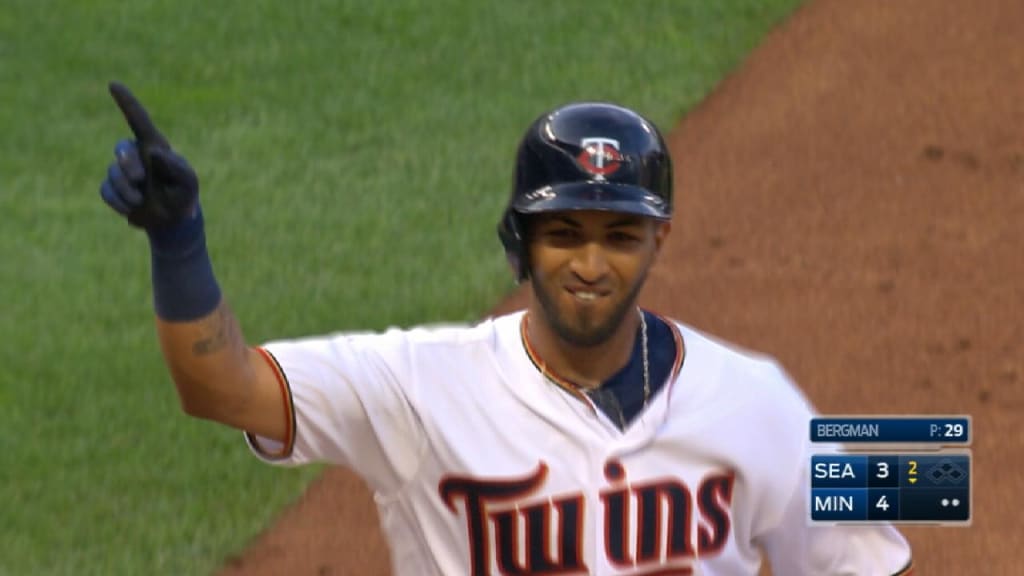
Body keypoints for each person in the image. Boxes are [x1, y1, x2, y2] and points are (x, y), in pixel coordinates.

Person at [99, 81, 914, 575]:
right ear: (519, 241)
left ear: (658, 240)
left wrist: (919, 464)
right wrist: (180, 245)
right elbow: (219, 388)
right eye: (563, 234)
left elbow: (877, 546)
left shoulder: (759, 400)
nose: (591, 264)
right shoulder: (418, 389)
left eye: (620, 237)